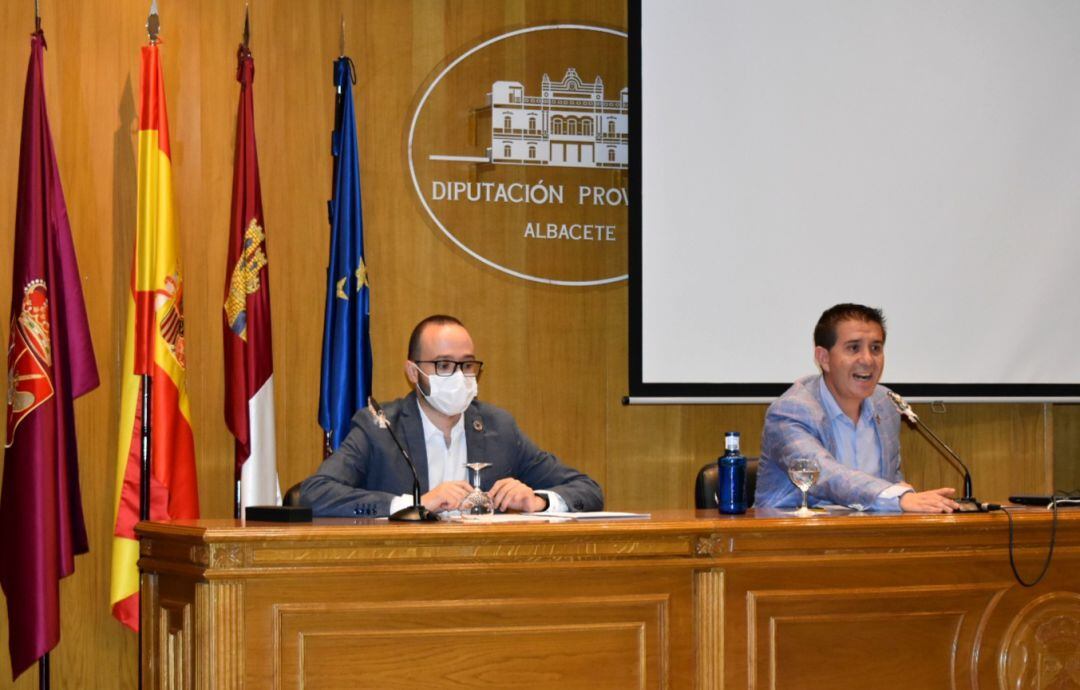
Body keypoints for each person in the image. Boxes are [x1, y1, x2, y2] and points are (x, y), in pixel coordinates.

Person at [300, 315, 604, 517]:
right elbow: (315, 494)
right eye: (444, 365)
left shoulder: (499, 428)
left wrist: (539, 501)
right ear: (413, 372)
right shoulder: (379, 427)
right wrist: (415, 506)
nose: (459, 376)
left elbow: (587, 490)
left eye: (467, 365)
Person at [755, 303, 960, 513]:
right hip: (793, 537)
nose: (868, 360)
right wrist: (895, 496)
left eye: (876, 348)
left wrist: (905, 499)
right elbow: (822, 473)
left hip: (866, 537)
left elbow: (892, 483)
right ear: (824, 358)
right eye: (854, 348)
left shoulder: (886, 404)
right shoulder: (792, 410)